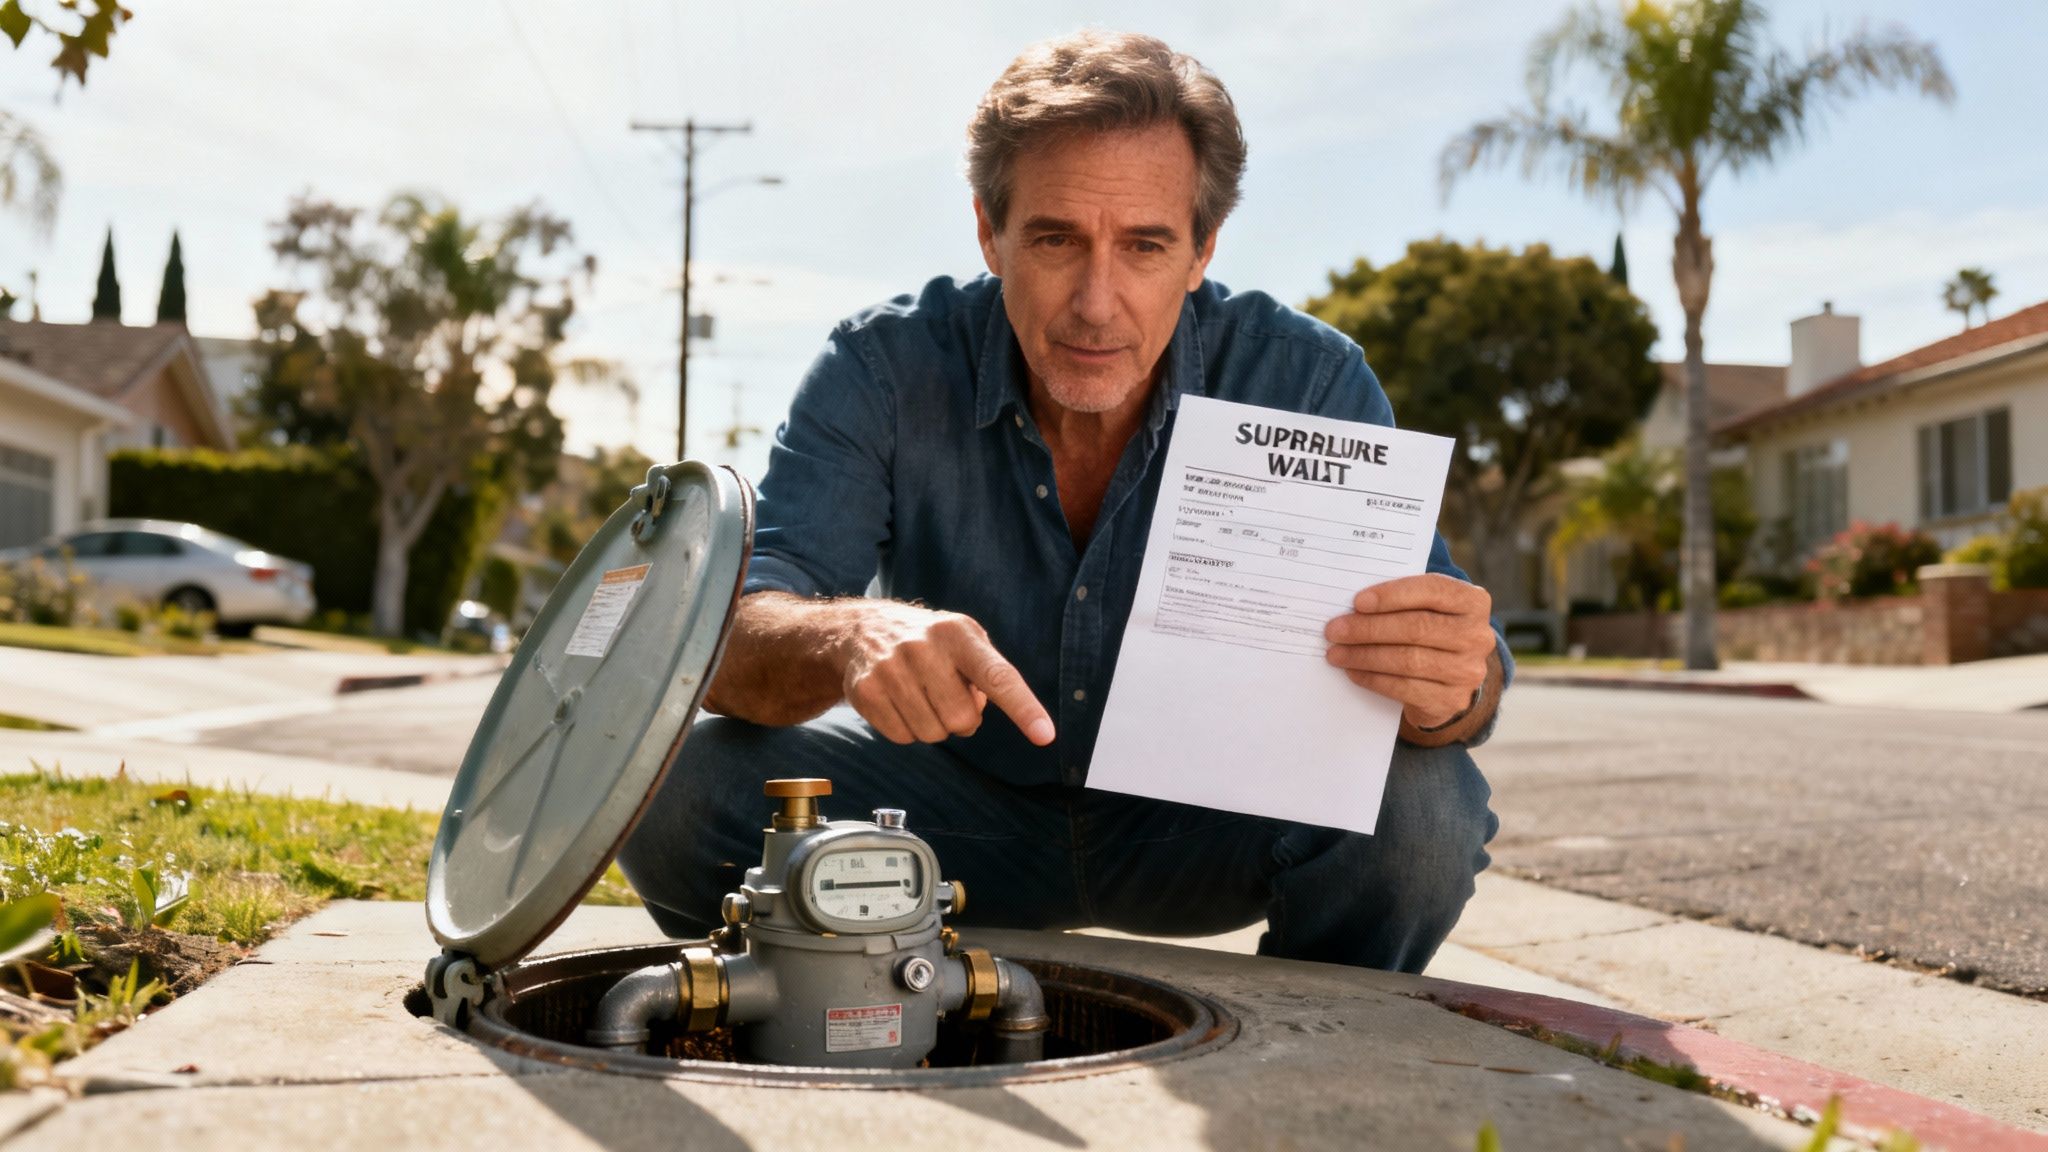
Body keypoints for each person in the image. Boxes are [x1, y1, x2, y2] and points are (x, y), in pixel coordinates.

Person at [619, 29, 1509, 973]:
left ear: (1202, 249)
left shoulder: (1307, 379)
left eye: (1145, 245)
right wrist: (850, 637)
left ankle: (1315, 1043)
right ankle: (807, 989)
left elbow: (1460, 678)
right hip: (939, 820)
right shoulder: (880, 368)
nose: (1096, 301)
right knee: (666, 782)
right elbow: (730, 629)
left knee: (1424, 810)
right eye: (1054, 239)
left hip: (1204, 826)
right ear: (989, 233)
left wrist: (1451, 686)